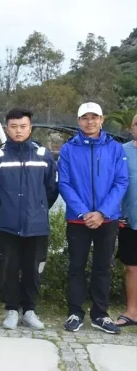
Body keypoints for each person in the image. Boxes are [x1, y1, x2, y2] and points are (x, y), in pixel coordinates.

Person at [0, 109, 58, 331]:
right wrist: (6, 208)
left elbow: (51, 190)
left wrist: (39, 208)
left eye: (23, 126)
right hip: (7, 225)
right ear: (7, 128)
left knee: (33, 269)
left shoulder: (44, 155)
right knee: (8, 268)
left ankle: (30, 311)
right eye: (14, 126)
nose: (18, 130)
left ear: (30, 128)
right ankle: (12, 311)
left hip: (36, 225)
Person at [59, 102, 128, 334]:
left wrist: (102, 212)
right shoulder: (68, 149)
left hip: (106, 220)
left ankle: (100, 314)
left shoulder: (115, 148)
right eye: (85, 117)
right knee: (76, 267)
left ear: (102, 119)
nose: (90, 121)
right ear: (78, 121)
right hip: (78, 220)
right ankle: (75, 313)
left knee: (102, 267)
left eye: (94, 117)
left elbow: (121, 182)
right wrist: (84, 212)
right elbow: (65, 183)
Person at [116, 114, 137, 328]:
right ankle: (132, 312)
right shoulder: (121, 151)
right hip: (130, 220)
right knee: (132, 268)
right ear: (131, 128)